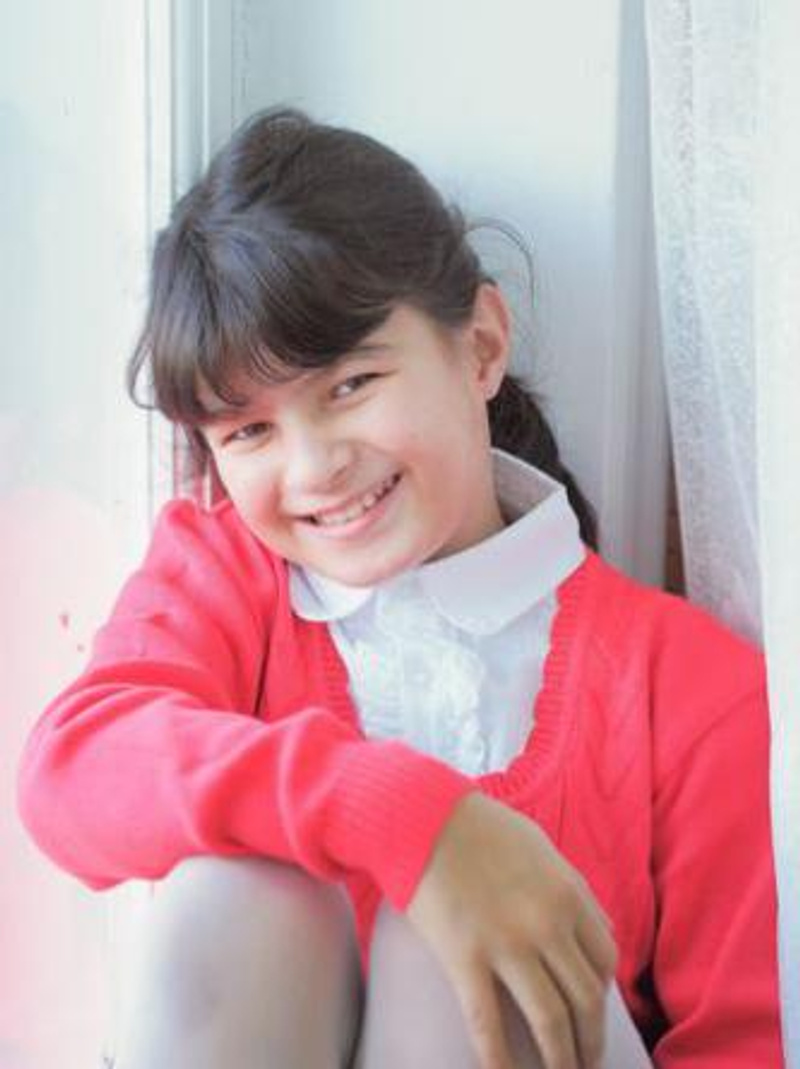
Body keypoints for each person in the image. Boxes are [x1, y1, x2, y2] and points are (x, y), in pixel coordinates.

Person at [16, 107, 782, 1069]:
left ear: (481, 346)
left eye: (350, 384)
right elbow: (73, 771)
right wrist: (410, 817)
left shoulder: (692, 690)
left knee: (458, 954)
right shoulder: (228, 573)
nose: (314, 467)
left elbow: (751, 1044)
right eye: (249, 431)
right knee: (244, 888)